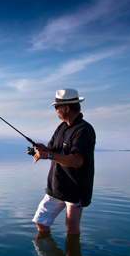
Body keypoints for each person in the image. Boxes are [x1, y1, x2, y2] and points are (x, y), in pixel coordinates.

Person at [32, 88, 96, 240]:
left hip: (75, 189)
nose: (55, 110)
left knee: (71, 229)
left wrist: (49, 155)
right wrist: (44, 149)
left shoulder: (84, 130)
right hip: (57, 187)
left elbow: (77, 161)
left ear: (67, 108)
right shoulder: (61, 127)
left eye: (57, 107)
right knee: (41, 222)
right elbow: (53, 149)